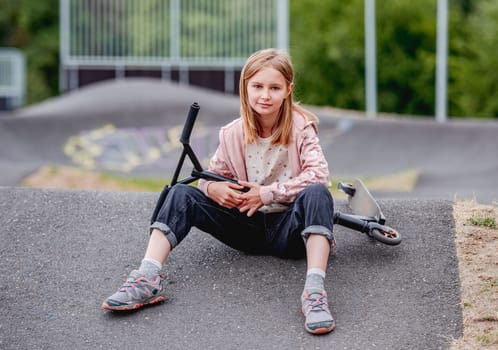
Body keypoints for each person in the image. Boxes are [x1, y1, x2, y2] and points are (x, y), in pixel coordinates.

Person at [102, 48, 336, 335]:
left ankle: (314, 293)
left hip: (290, 231)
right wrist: (214, 188)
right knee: (180, 193)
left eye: (274, 88)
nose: (265, 95)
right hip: (246, 227)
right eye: (258, 86)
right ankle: (147, 277)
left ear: (288, 90)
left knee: (318, 194)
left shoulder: (301, 128)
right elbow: (207, 177)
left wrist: (266, 193)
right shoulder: (233, 133)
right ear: (245, 87)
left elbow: (320, 175)